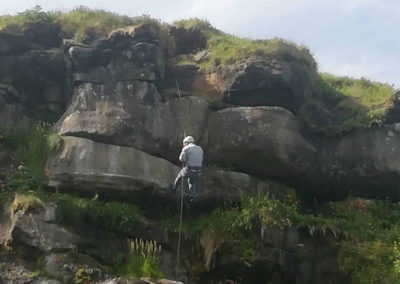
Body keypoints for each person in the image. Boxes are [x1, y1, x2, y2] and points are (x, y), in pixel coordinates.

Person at [170, 136, 203, 203]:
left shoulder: (186, 148)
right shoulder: (200, 148)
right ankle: (192, 197)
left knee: (179, 177)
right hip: (198, 171)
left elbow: (181, 159)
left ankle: (174, 189)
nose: (183, 145)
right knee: (192, 181)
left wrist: (185, 159)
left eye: (184, 143)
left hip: (189, 170)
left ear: (186, 142)